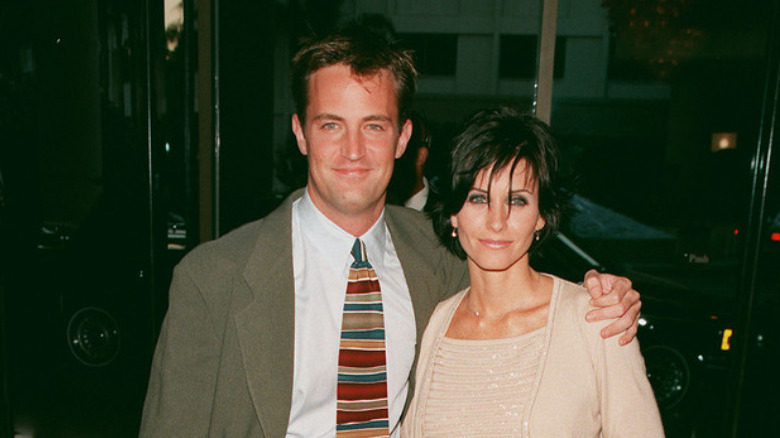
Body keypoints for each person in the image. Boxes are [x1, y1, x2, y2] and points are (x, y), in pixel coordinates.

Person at [140, 23, 642, 438]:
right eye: (331, 125)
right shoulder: (213, 279)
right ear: (299, 132)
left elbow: (519, 284)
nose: (353, 151)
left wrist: (603, 292)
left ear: (403, 138)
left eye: (374, 126)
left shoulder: (443, 254)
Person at [401, 107, 663, 437]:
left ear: (541, 216)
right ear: (454, 213)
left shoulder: (595, 318)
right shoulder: (435, 324)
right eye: (479, 199)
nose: (497, 221)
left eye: (518, 200)